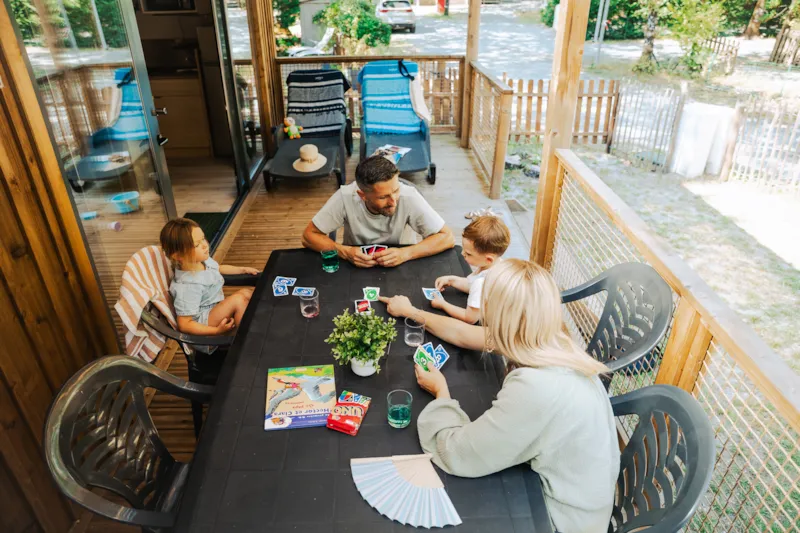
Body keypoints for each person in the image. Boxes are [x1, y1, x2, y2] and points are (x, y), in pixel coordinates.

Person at [379, 260, 620, 533]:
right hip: (584, 501)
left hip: (558, 520)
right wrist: (411, 312)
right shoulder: (551, 340)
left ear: (502, 316)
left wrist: (440, 391)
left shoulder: (537, 388)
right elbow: (461, 333)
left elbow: (455, 453)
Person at [301, 155, 454, 268]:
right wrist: (345, 252)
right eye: (383, 197)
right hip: (354, 265)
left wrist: (406, 253)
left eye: (396, 190)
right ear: (362, 195)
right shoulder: (345, 196)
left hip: (403, 263)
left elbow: (447, 237)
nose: (393, 201)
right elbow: (308, 236)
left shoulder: (409, 196)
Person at [160, 218, 259, 350]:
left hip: (214, 312)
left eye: (203, 239)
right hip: (206, 335)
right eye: (196, 245)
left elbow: (218, 268)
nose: (205, 245)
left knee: (247, 293)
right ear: (179, 256)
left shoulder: (201, 262)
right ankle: (249, 342)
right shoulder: (187, 286)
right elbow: (185, 324)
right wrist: (216, 331)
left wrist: (242, 270)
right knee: (239, 299)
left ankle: (256, 327)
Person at [432, 215, 510, 324]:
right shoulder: (497, 264)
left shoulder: (481, 283)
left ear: (488, 259)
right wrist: (452, 280)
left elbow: (470, 318)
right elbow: (472, 285)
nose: (462, 253)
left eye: (468, 253)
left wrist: (442, 304)